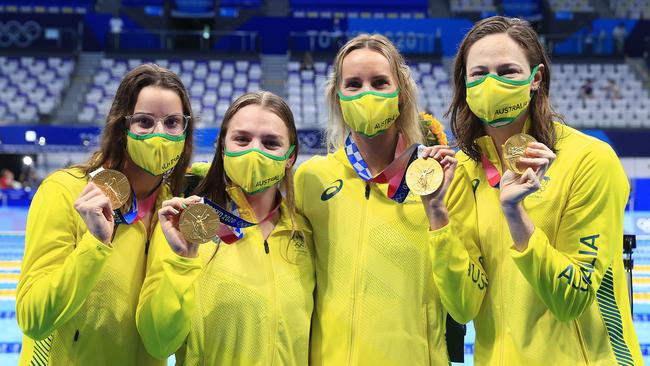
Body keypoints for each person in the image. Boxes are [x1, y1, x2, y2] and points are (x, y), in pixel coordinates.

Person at [422, 16, 642, 364]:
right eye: (479, 73)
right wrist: (437, 215)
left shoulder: (590, 160)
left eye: (507, 71)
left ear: (535, 79)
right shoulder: (464, 171)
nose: (491, 82)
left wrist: (515, 215)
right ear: (464, 84)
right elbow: (463, 306)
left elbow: (571, 299)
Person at [16, 64, 194, 366]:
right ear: (121, 126)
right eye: (144, 122)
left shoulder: (175, 214)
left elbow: (162, 342)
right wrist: (94, 245)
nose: (159, 134)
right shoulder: (66, 190)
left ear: (185, 129)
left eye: (172, 122)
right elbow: (34, 318)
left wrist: (183, 261)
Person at [294, 34, 453, 365]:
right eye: (354, 84)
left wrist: (438, 212)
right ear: (338, 97)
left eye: (380, 82)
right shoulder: (310, 180)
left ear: (401, 94)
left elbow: (462, 300)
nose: (367, 93)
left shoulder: (437, 179)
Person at [136, 91, 315, 365]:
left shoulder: (304, 232)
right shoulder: (189, 224)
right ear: (223, 148)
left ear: (290, 157)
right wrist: (182, 261)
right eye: (242, 139)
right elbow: (159, 342)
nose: (254, 151)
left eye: (270, 143)